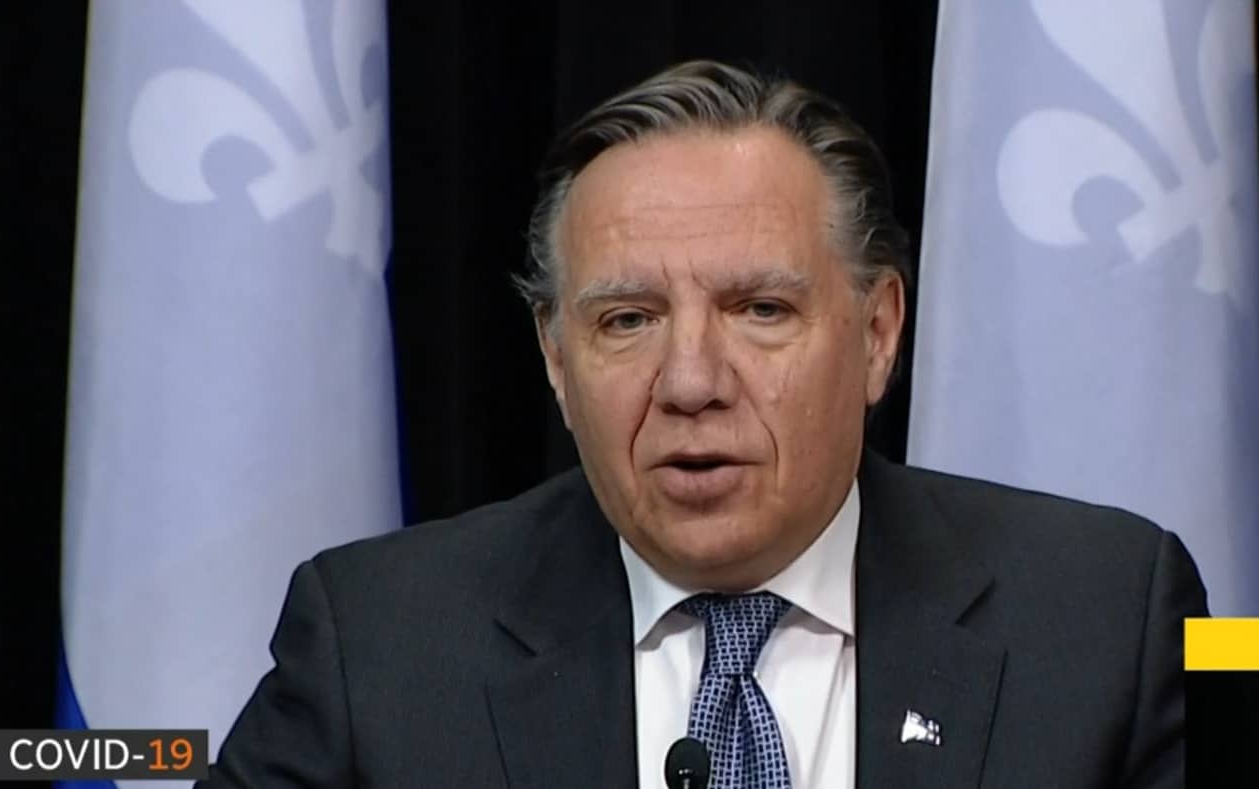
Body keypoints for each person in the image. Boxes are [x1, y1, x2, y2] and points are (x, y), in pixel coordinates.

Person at [199, 60, 1208, 789]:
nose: (689, 382)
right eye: (627, 320)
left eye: (759, 310)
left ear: (876, 334)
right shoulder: (372, 639)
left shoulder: (1125, 608)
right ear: (556, 358)